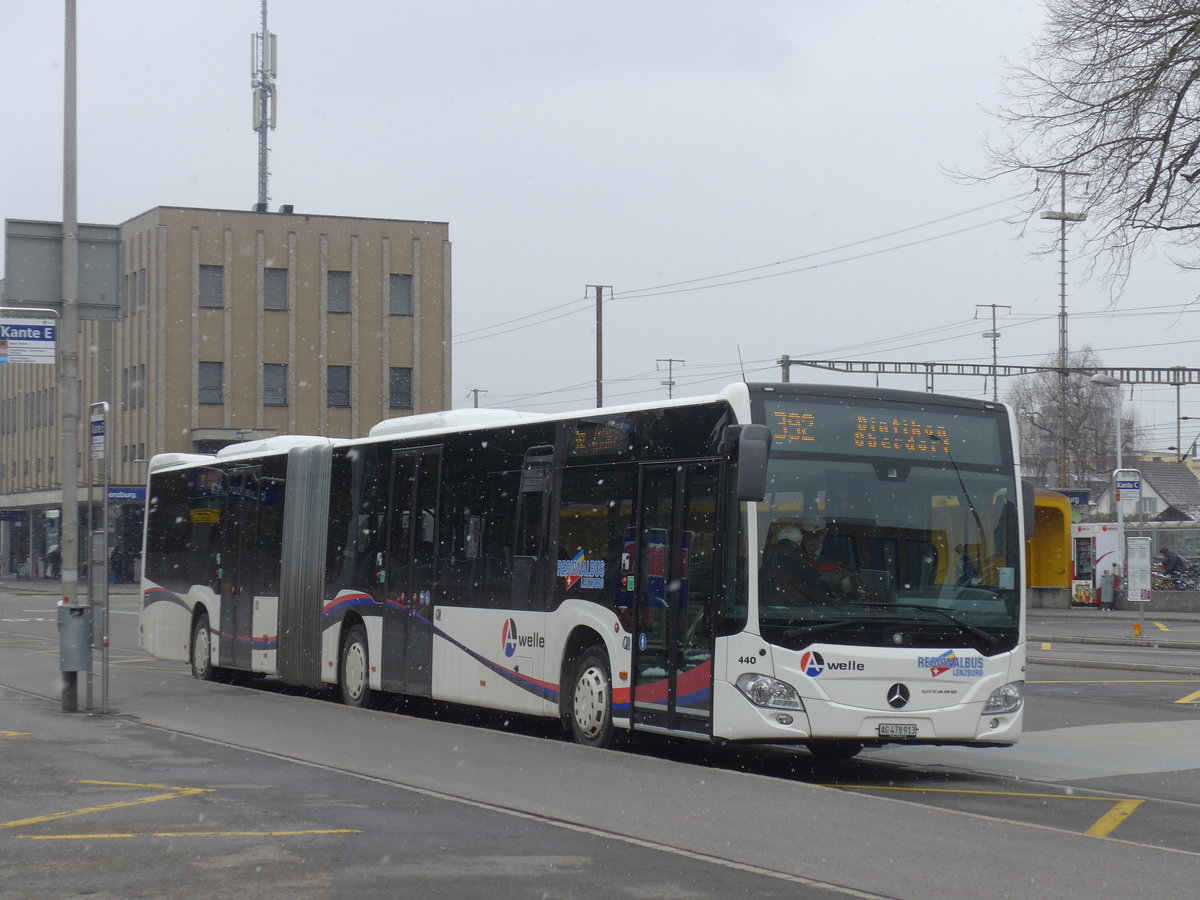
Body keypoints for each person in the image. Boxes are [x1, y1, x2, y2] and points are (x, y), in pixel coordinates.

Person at [760, 517, 837, 606]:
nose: (809, 540)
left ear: (824, 534)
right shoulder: (796, 558)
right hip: (800, 611)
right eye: (806, 535)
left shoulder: (836, 553)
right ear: (800, 539)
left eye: (814, 536)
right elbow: (820, 595)